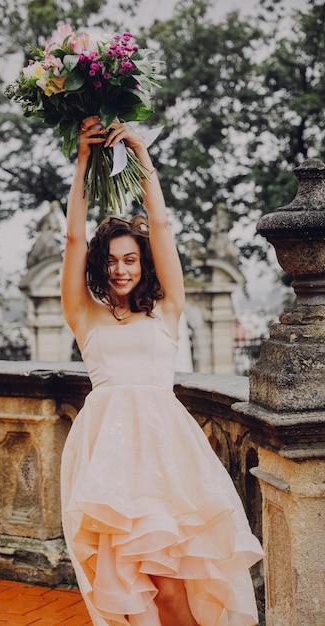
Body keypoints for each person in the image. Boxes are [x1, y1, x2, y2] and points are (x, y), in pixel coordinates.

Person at [60, 116, 264, 626]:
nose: (121, 268)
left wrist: (144, 161)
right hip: (108, 461)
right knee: (130, 589)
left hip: (164, 457)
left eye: (130, 259)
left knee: (173, 590)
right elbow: (70, 240)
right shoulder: (85, 315)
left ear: (143, 262)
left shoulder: (167, 309)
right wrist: (84, 161)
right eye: (110, 260)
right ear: (98, 266)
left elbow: (164, 227)